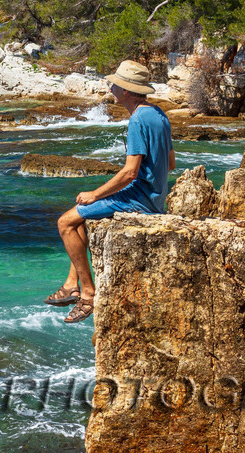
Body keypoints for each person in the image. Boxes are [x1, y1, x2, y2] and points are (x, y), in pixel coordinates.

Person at [45, 59, 174, 323]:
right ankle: (71, 283)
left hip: (139, 199)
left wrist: (96, 193)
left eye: (114, 84)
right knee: (82, 219)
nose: (111, 88)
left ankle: (88, 293)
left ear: (126, 90)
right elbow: (170, 163)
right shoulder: (159, 114)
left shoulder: (138, 119)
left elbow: (130, 172)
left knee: (65, 222)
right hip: (155, 196)